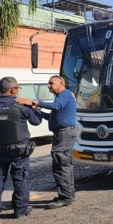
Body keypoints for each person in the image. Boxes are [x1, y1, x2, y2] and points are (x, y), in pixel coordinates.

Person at [17, 75, 77, 209]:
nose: (48, 85)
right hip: (64, 133)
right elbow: (53, 115)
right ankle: (68, 194)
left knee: (60, 165)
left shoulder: (64, 94)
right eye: (48, 83)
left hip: (64, 133)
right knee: (65, 165)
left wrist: (34, 103)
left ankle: (65, 197)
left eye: (51, 83)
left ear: (61, 83)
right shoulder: (64, 96)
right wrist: (39, 112)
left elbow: (56, 106)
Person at [0, 77, 42, 221]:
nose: (18, 91)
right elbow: (36, 121)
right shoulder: (21, 105)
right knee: (20, 179)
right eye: (17, 88)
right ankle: (20, 209)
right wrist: (35, 109)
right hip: (19, 151)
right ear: (12, 89)